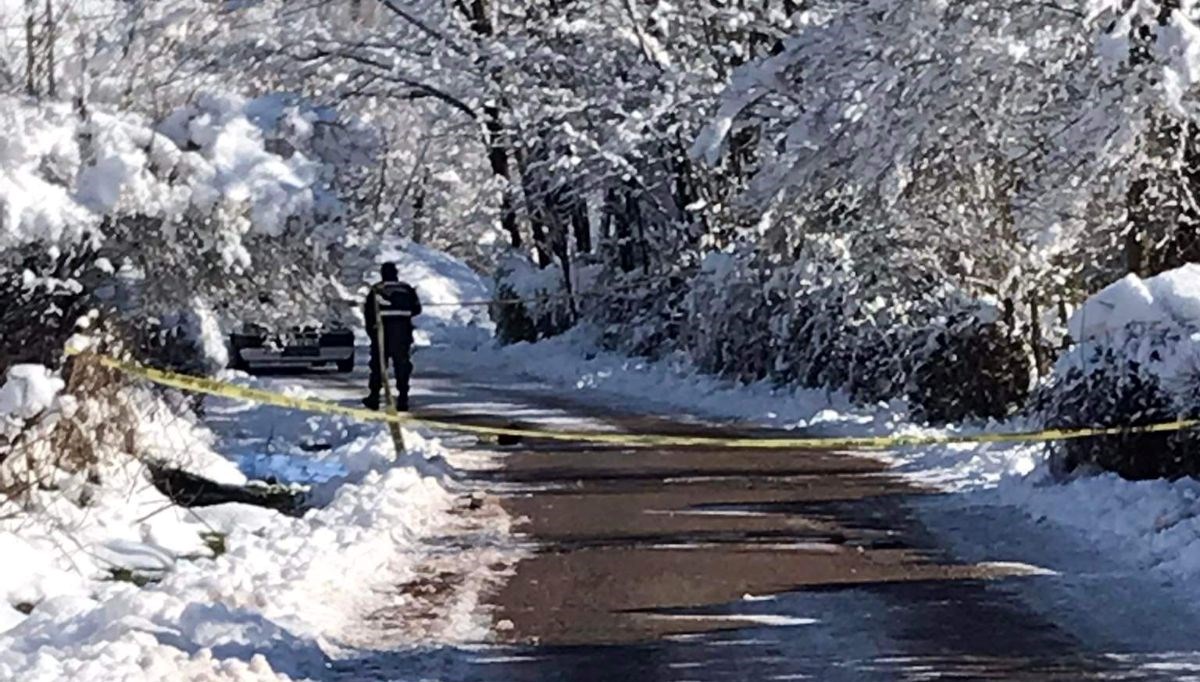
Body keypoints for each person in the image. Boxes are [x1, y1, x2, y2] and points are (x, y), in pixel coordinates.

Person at [362, 262, 422, 411]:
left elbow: (368, 314)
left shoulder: (377, 290)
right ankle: (403, 397)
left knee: (378, 366)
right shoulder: (406, 289)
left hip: (381, 333)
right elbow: (417, 309)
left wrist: (372, 333)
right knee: (402, 364)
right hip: (402, 333)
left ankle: (374, 396)